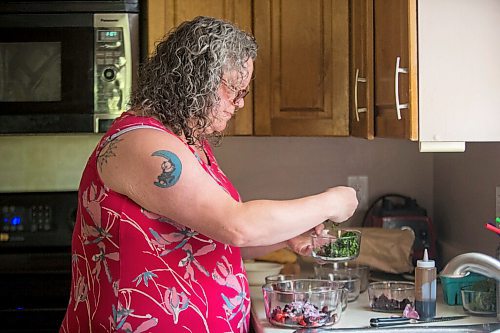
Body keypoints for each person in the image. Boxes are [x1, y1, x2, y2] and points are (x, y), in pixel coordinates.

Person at [60, 16, 357, 333]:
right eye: (234, 89)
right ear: (195, 80)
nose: (240, 102)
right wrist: (332, 201)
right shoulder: (142, 144)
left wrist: (288, 234)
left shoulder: (189, 144)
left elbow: (217, 237)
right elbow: (236, 225)